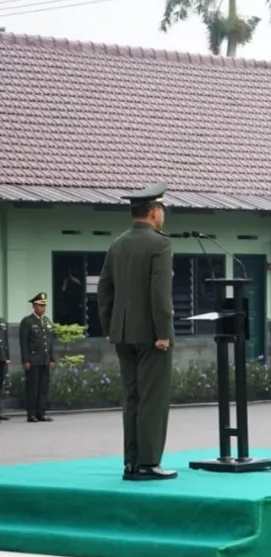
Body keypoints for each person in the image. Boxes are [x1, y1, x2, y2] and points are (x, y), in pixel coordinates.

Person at [97, 182, 176, 481]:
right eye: (162, 210)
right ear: (154, 211)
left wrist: (110, 328)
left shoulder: (117, 243)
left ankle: (131, 462)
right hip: (151, 335)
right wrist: (163, 332)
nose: (163, 217)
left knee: (131, 397)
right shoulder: (160, 244)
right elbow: (160, 294)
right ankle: (148, 462)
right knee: (153, 399)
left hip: (123, 333)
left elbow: (104, 290)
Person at [20, 292, 57, 424]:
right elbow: (23, 343)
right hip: (33, 360)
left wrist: (52, 359)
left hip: (44, 360)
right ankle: (31, 414)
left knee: (43, 388)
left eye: (44, 306)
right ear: (34, 306)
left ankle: (41, 413)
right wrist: (25, 360)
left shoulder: (46, 321)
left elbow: (50, 342)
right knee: (33, 388)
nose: (43, 308)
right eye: (40, 306)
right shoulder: (27, 322)